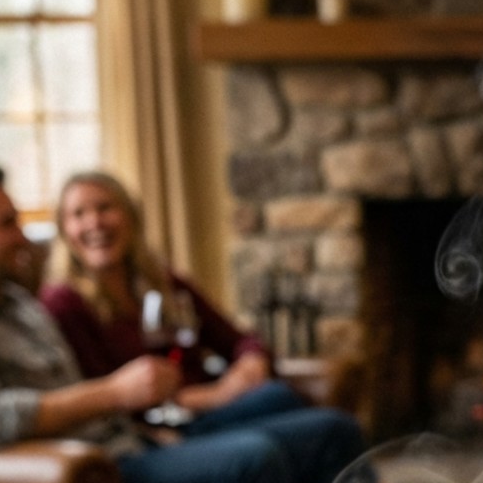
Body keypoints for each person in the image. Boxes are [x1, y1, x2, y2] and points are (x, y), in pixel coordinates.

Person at [0, 163, 367, 483]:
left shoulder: (16, 303)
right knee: (253, 460)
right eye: (6, 223)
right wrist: (117, 395)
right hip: (94, 469)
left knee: (328, 429)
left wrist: (142, 423)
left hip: (132, 442)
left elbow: (232, 339)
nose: (23, 236)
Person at [42, 169, 312, 435]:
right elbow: (99, 398)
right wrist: (210, 396)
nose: (95, 222)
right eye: (78, 214)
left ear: (131, 217)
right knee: (283, 406)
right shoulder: (63, 303)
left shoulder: (162, 281)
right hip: (160, 429)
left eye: (105, 208)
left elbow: (238, 339)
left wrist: (250, 363)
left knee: (300, 409)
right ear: (64, 231)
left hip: (209, 411)